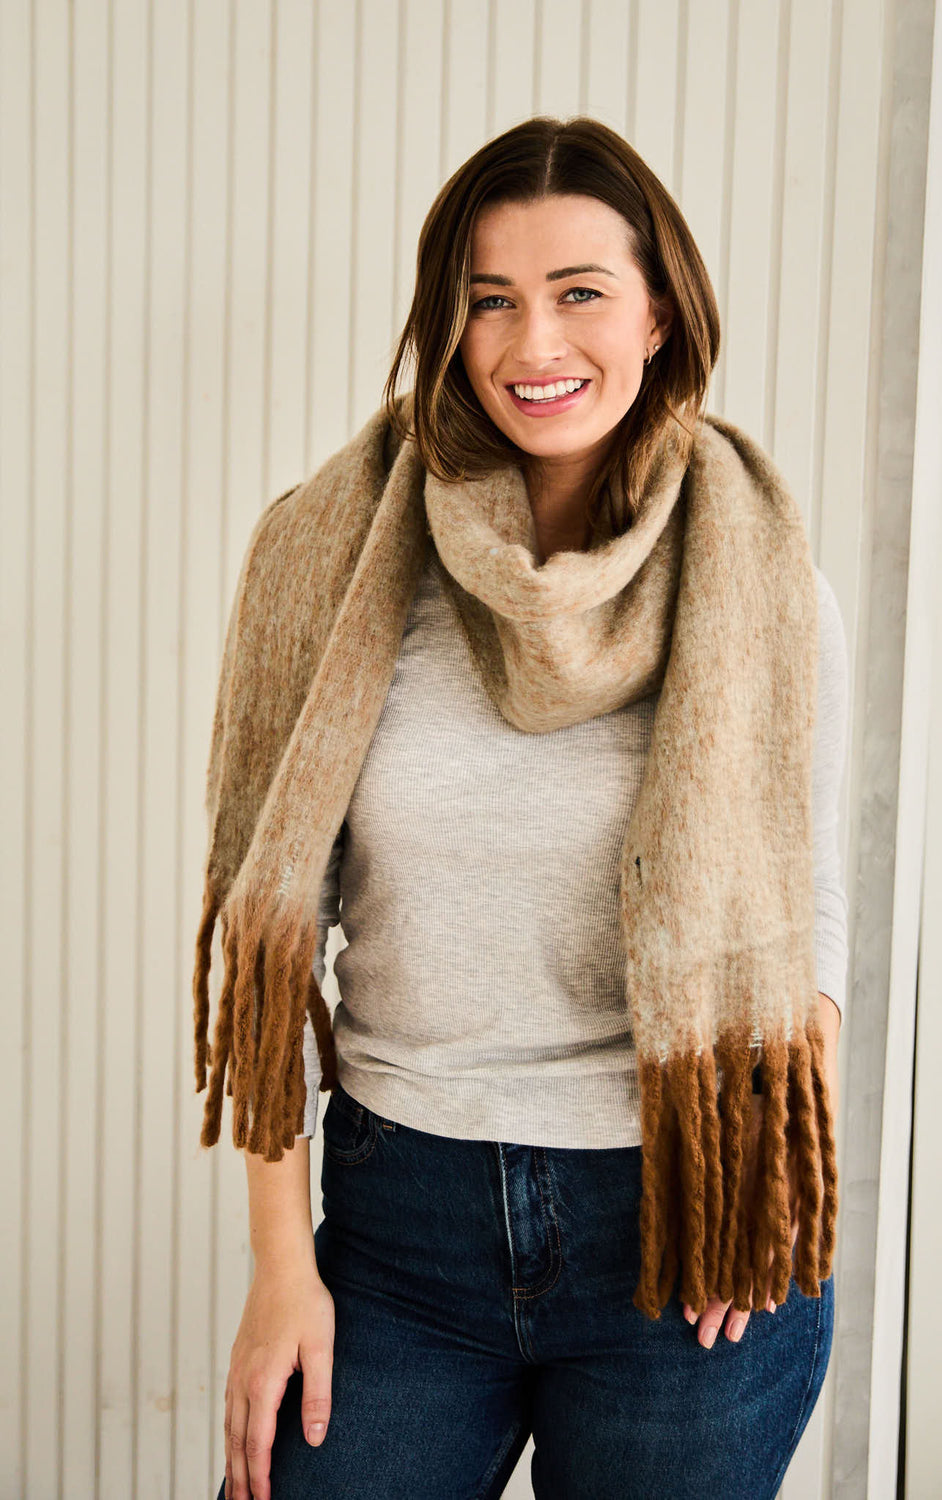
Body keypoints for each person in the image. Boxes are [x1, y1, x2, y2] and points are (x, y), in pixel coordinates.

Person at [202, 115, 848, 1500]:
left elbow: (817, 917)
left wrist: (763, 1195)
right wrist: (279, 1268)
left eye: (579, 292)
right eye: (489, 299)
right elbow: (266, 933)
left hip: (683, 1222)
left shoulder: (763, 578)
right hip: (400, 1229)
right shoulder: (329, 559)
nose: (531, 343)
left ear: (661, 314)